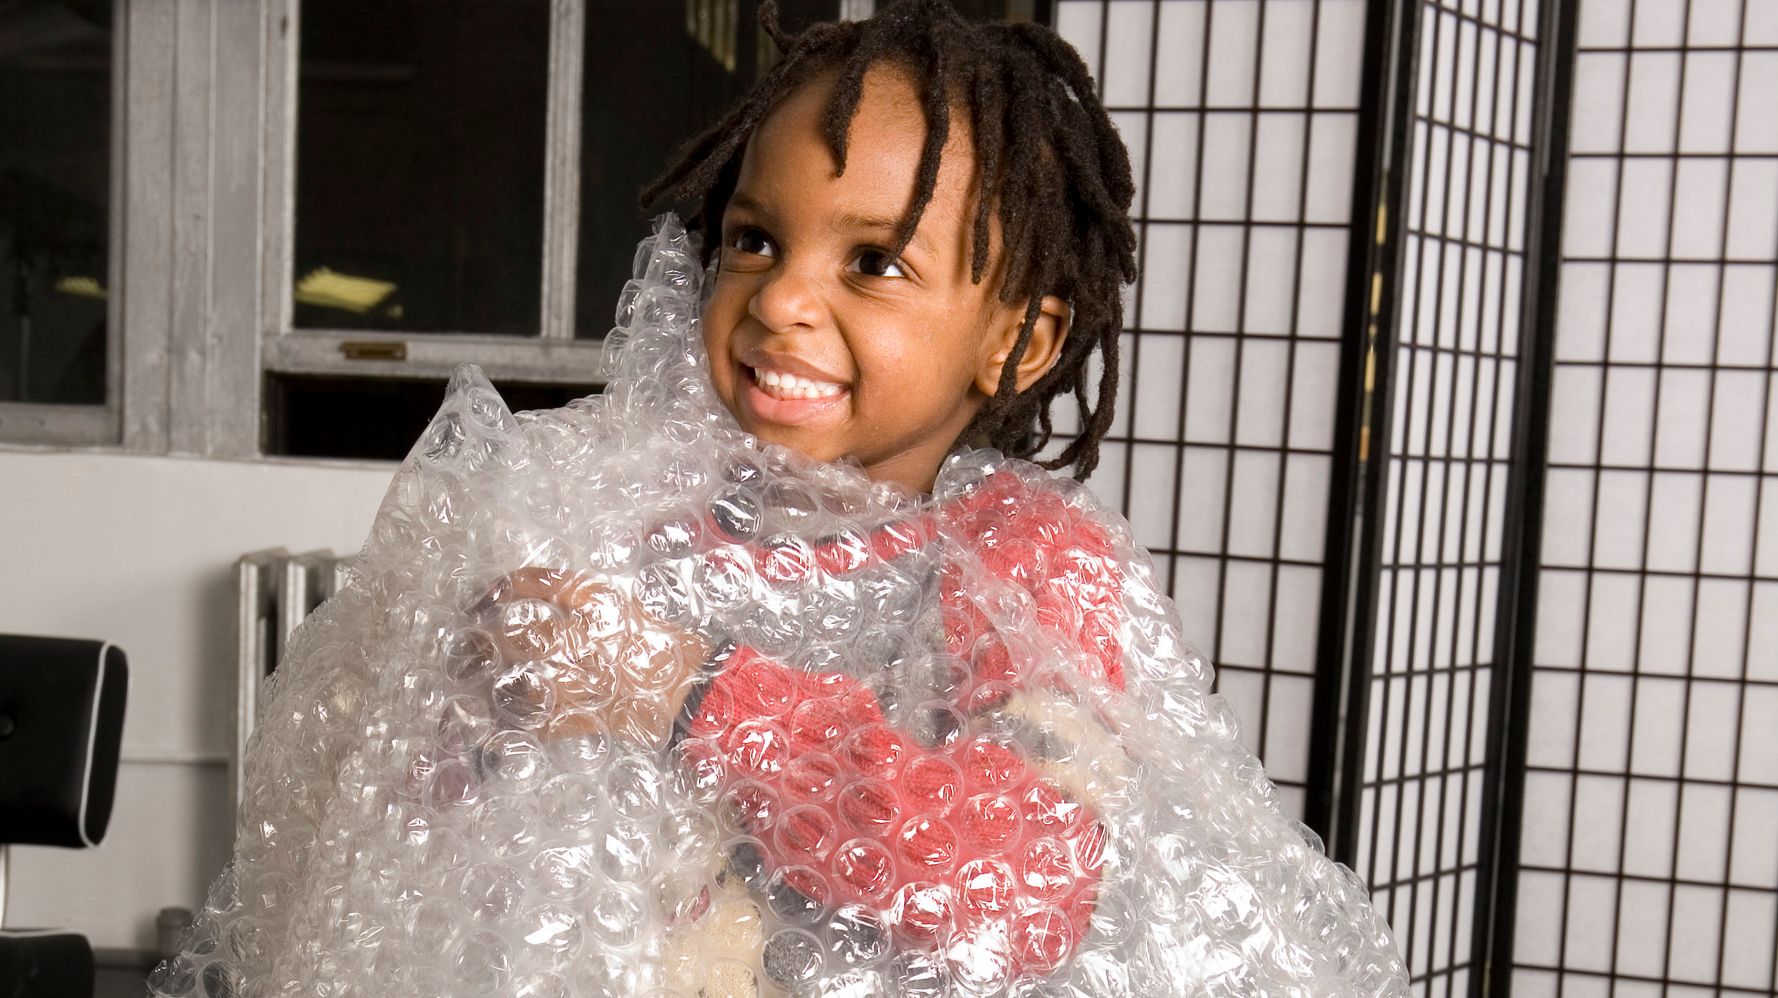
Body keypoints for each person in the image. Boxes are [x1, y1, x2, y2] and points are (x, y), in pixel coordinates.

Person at [474, 0, 1143, 982]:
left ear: (1015, 341)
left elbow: (1023, 881)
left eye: (872, 262)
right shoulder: (645, 513)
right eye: (754, 240)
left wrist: (684, 692)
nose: (779, 298)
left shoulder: (1020, 563)